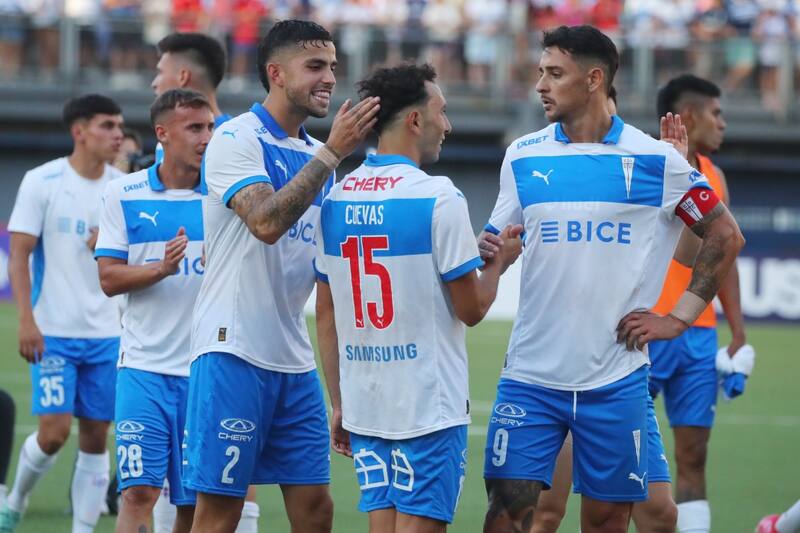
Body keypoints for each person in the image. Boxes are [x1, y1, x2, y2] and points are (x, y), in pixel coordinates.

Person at [478, 25, 744, 533]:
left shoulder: (656, 159)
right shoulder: (524, 154)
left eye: (555, 73)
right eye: (540, 72)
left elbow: (724, 235)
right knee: (507, 519)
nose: (541, 84)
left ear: (594, 79)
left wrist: (678, 317)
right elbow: (495, 244)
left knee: (606, 521)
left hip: (616, 382)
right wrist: (487, 256)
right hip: (529, 378)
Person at [184, 19, 380, 532]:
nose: (329, 78)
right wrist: (332, 152)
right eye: (315, 66)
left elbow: (329, 278)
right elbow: (267, 222)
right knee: (220, 513)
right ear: (275, 73)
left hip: (292, 361)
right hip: (233, 349)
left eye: (333, 67)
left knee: (316, 510)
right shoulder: (235, 139)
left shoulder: (315, 156)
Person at [314, 63, 521, 533]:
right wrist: (501, 262)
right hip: (426, 407)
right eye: (441, 112)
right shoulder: (438, 196)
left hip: (366, 403)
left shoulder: (336, 197)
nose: (446, 125)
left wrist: (339, 402)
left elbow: (326, 311)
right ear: (413, 120)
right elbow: (472, 310)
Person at [531, 88, 685, 533]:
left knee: (659, 513)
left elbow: (693, 252)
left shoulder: (647, 172)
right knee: (545, 513)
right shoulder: (551, 168)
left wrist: (676, 176)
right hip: (553, 371)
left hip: (620, 374)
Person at [1, 94, 125, 533]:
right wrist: (26, 320)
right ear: (80, 132)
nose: (117, 135)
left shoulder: (122, 185)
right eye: (107, 126)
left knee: (95, 436)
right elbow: (18, 256)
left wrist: (106, 250)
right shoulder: (42, 180)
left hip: (108, 335)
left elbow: (130, 259)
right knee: (53, 433)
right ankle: (15, 500)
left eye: (119, 126)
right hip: (53, 332)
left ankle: (84, 529)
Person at [95, 89, 213, 533]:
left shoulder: (225, 197)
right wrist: (161, 268)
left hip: (207, 372)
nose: (206, 137)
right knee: (138, 492)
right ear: (162, 133)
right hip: (143, 368)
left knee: (194, 501)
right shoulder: (123, 193)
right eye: (195, 128)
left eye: (210, 127)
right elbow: (109, 278)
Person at [650, 73, 750, 533]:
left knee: (694, 455)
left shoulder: (715, 176)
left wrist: (738, 332)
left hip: (698, 335)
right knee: (621, 453)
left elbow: (722, 254)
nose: (723, 123)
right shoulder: (644, 163)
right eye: (716, 112)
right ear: (687, 116)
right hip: (646, 329)